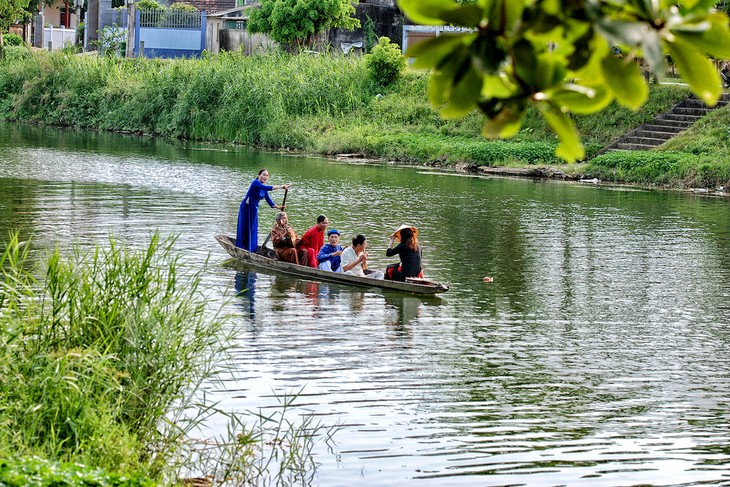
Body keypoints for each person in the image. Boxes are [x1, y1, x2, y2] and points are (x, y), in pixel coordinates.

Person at [236, 168, 289, 251]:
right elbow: (269, 188)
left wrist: (278, 207)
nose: (265, 177)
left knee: (252, 228)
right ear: (259, 175)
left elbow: (269, 201)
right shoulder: (256, 183)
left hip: (254, 209)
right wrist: (282, 186)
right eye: (263, 175)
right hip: (246, 208)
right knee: (245, 227)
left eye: (267, 175)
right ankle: (241, 247)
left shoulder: (264, 189)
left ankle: (250, 249)